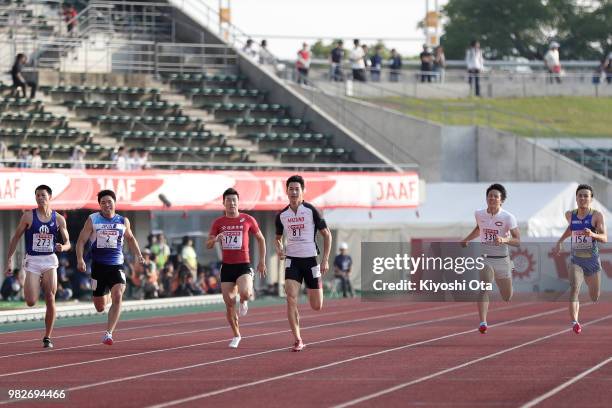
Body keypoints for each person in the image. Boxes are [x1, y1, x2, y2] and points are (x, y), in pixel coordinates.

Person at [4, 185, 71, 348]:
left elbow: (68, 242)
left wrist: (64, 247)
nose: (40, 198)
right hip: (33, 261)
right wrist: (9, 260)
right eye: (37, 196)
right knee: (31, 301)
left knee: (50, 297)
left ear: (50, 197)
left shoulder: (59, 219)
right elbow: (15, 238)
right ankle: (35, 285)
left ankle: (47, 336)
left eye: (43, 195)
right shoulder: (28, 216)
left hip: (49, 260)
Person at [75, 189, 145, 345]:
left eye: (109, 201)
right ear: (100, 205)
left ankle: (109, 333)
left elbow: (131, 238)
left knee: (118, 295)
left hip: (116, 265)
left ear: (115, 202)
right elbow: (81, 241)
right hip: (98, 267)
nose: (106, 205)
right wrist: (80, 259)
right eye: (103, 202)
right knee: (100, 307)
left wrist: (138, 255)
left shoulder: (123, 221)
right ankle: (105, 294)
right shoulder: (93, 219)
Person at [275, 175, 332, 351]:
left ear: (302, 191)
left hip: (311, 260)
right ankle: (298, 339)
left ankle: (314, 287)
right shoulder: (282, 215)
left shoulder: (311, 211)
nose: (293, 192)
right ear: (287, 191)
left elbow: (327, 234)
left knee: (317, 305)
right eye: (290, 189)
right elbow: (277, 239)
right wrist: (279, 249)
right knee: (290, 299)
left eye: (296, 189)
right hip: (292, 261)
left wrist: (325, 260)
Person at [207, 188, 266, 348]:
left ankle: (245, 299)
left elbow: (261, 239)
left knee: (245, 293)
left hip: (243, 265)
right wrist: (216, 240)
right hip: (227, 267)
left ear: (238, 202)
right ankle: (236, 335)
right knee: (229, 303)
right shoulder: (218, 223)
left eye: (234, 200)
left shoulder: (247, 219)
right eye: (228, 200)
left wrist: (262, 260)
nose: (231, 203)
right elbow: (208, 244)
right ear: (223, 203)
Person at [461, 184, 520, 334]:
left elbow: (518, 240)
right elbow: (479, 228)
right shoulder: (479, 214)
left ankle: (509, 274)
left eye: (496, 196)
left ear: (501, 200)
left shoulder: (508, 217)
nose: (492, 198)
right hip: (486, 258)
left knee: (507, 296)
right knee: (484, 286)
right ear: (486, 198)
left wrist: (504, 240)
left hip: (502, 259)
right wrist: (467, 239)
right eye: (490, 195)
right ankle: (483, 322)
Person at [553, 184, 606, 334]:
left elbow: (604, 238)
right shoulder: (570, 214)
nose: (582, 198)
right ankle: (575, 321)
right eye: (580, 195)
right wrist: (560, 241)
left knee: (594, 296)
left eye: (585, 196)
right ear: (576, 198)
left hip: (592, 260)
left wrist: (593, 235)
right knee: (574, 287)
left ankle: (590, 284)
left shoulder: (596, 216)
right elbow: (571, 228)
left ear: (591, 199)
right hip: (576, 259)